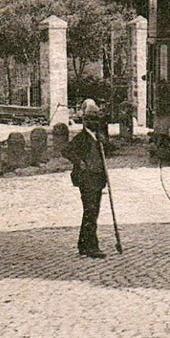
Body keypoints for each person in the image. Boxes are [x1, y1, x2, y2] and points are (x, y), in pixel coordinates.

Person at [64, 100, 108, 259]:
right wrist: (79, 162)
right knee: (90, 212)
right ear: (85, 121)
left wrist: (104, 142)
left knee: (91, 212)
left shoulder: (98, 137)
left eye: (96, 120)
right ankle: (91, 246)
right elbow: (67, 151)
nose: (94, 122)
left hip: (97, 179)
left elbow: (107, 153)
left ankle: (83, 244)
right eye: (91, 119)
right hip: (86, 179)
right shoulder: (82, 138)